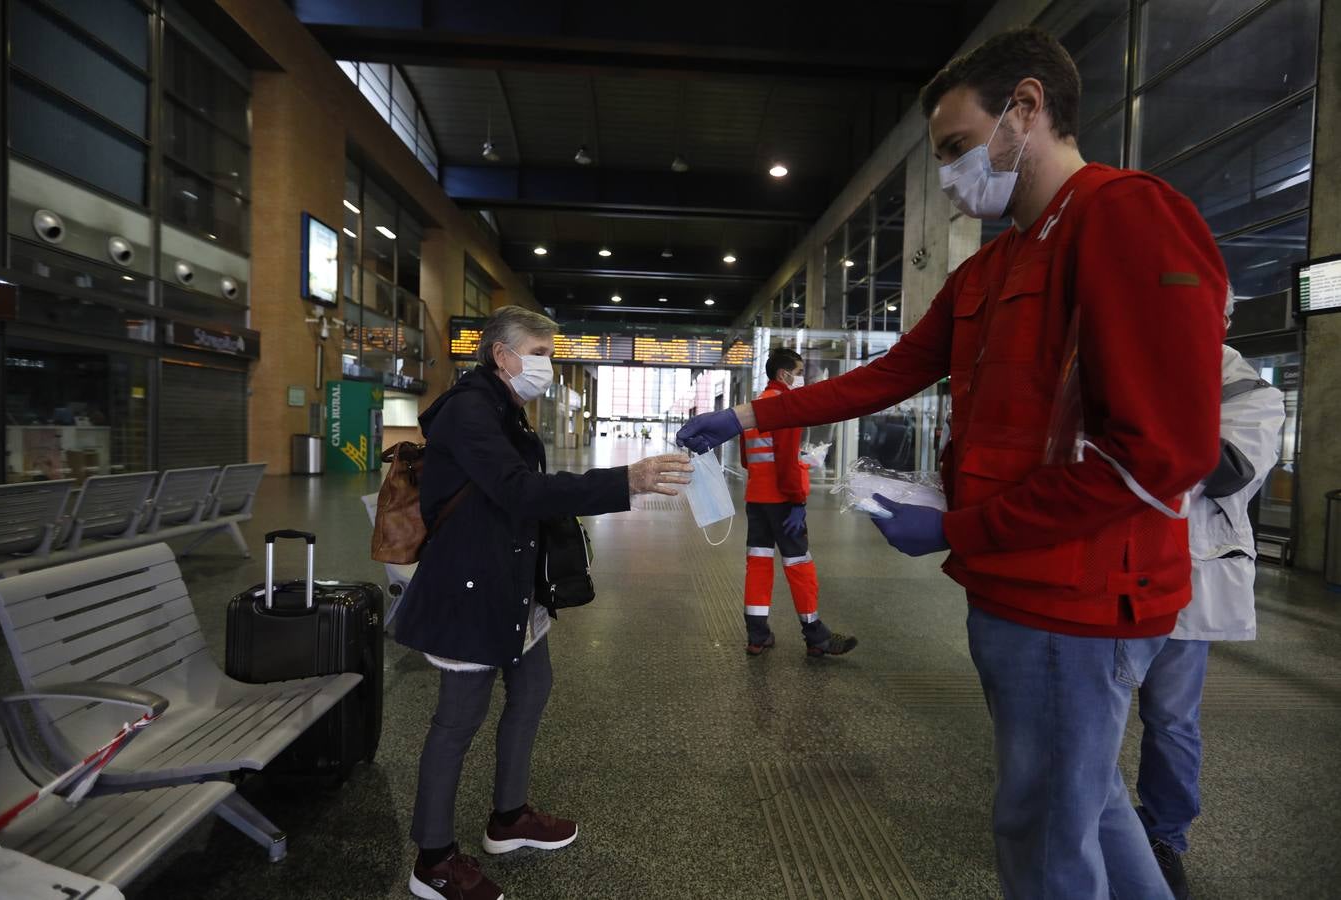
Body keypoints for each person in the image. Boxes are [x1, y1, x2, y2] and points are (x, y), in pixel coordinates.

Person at [678, 27, 1226, 899]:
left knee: (1044, 836)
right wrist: (745, 414)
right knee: (1087, 811)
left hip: (1075, 602)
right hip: (1016, 588)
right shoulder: (996, 263)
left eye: (958, 148)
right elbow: (893, 373)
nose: (946, 176)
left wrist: (960, 525)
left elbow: (1163, 454)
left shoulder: (1126, 217)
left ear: (1028, 109)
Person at [394, 305, 693, 900]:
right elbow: (518, 490)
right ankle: (432, 859)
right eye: (538, 352)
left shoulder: (508, 409)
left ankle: (509, 818)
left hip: (513, 583)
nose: (546, 365)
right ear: (503, 356)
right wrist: (623, 482)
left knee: (532, 688)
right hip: (471, 587)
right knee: (457, 720)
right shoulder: (471, 410)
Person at [1137, 293, 1286, 900]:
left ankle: (1165, 836)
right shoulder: (1127, 362)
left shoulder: (1249, 390)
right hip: (1107, 572)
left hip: (1189, 580)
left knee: (1170, 721)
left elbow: (1227, 469)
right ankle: (1084, 822)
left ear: (1222, 321)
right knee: (1081, 714)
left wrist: (1152, 400)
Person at [741, 348, 857, 657]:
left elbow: (746, 459)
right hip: (782, 500)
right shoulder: (786, 407)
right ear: (784, 375)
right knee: (798, 564)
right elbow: (785, 465)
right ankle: (816, 636)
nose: (802, 378)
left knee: (759, 562)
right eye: (799, 371)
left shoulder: (752, 408)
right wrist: (798, 501)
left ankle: (757, 635)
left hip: (756, 500)